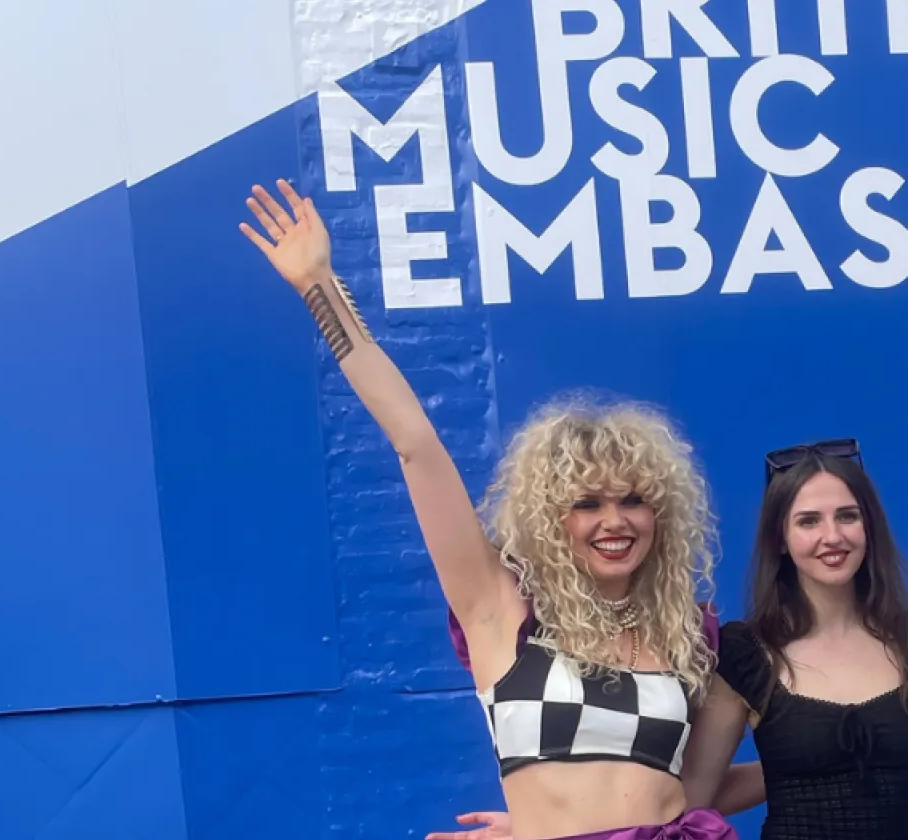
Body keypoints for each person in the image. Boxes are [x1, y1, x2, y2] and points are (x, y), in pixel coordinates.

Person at [237, 181, 739, 840]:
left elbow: (698, 792)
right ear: (551, 519)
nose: (613, 521)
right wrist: (318, 286)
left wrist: (836, 759)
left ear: (661, 513)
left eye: (633, 500)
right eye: (586, 504)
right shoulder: (500, 611)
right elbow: (415, 442)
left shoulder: (685, 635)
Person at [432, 439, 908, 840]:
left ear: (869, 526)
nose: (832, 535)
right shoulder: (747, 654)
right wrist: (548, 826)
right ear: (781, 539)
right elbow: (690, 792)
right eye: (808, 521)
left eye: (847, 516)